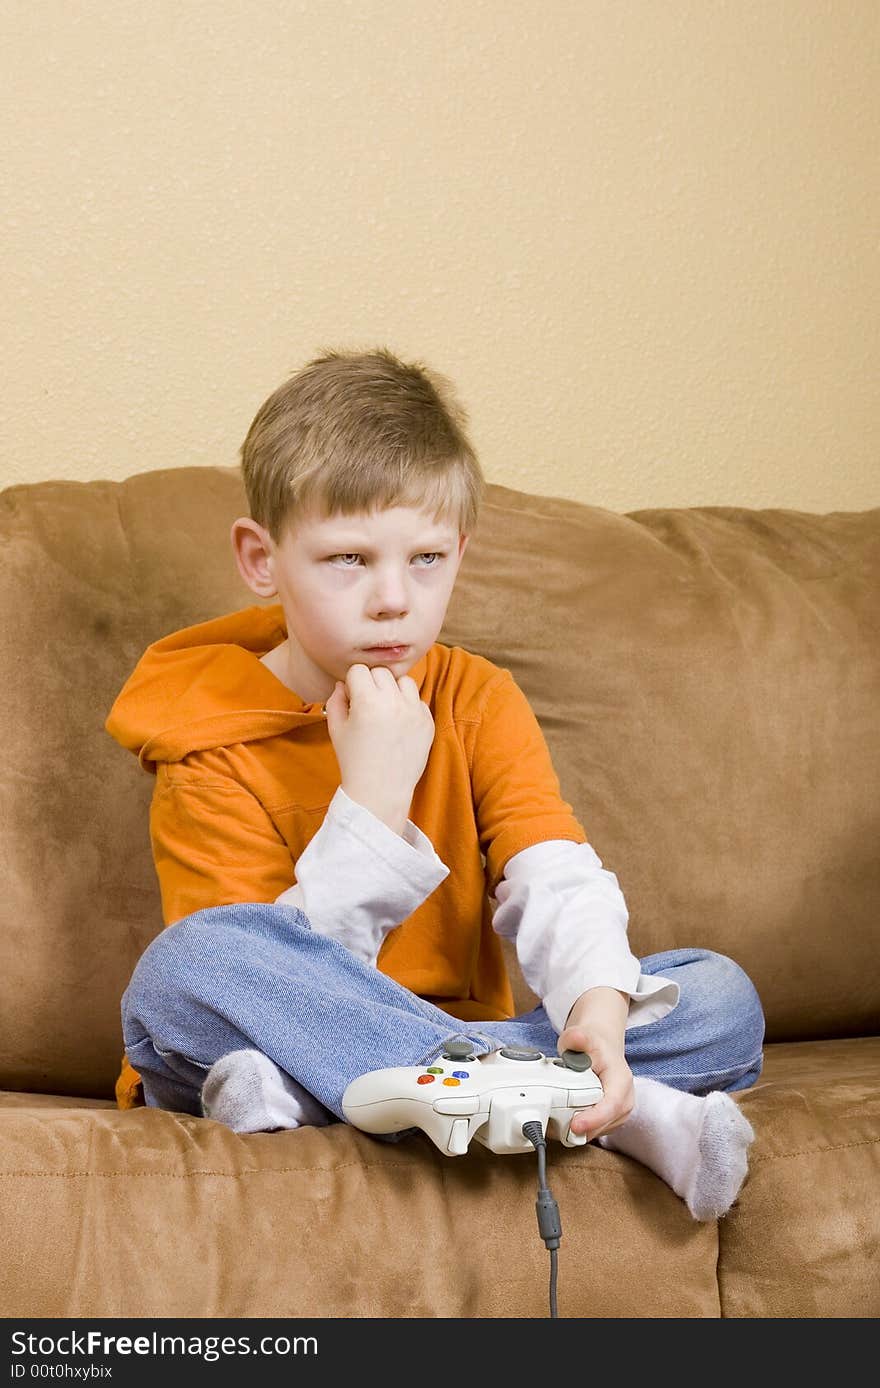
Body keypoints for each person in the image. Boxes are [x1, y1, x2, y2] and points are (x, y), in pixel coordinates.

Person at [106, 346, 764, 1221]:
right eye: (347, 559)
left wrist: (600, 1014)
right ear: (261, 559)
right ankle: (593, 1111)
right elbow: (263, 974)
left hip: (438, 1049)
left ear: (461, 551)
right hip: (282, 1027)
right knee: (184, 972)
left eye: (426, 559)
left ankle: (357, 1097)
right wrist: (374, 800)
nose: (392, 599)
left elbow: (554, 871)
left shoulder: (477, 697)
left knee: (721, 997)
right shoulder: (205, 734)